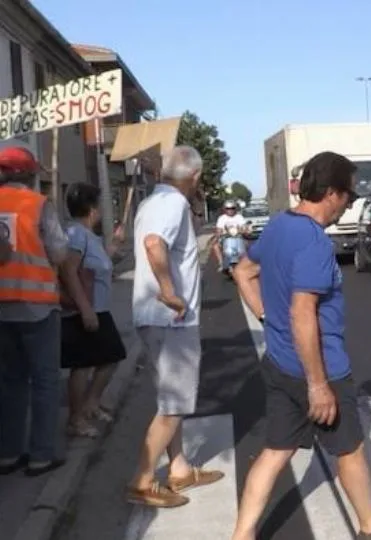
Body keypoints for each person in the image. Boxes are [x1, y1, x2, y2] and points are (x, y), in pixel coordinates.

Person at [230, 151, 371, 540]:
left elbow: (243, 271)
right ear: (331, 193)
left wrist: (267, 317)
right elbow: (304, 313)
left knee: (276, 449)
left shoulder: (280, 224)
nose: (348, 204)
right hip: (321, 370)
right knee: (349, 449)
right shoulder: (314, 242)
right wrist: (318, 384)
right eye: (348, 197)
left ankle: (242, 534)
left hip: (281, 364)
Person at [127, 146, 224, 507]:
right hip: (171, 320)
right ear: (195, 177)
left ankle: (179, 468)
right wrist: (170, 292)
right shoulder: (173, 204)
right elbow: (155, 245)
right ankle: (142, 480)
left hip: (153, 319)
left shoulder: (152, 201)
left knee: (171, 401)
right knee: (173, 406)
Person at [0, 146, 69, 477]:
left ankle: (8, 454)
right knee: (44, 381)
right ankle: (41, 455)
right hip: (36, 306)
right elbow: (58, 252)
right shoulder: (38, 204)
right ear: (30, 174)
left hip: (1, 309)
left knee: (10, 382)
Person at [60, 183, 128, 439]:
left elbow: (101, 262)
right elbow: (68, 270)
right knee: (84, 364)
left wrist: (115, 244)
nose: (100, 211)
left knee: (107, 357)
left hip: (97, 308)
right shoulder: (77, 235)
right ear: (91, 209)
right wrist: (85, 308)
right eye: (98, 206)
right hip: (85, 310)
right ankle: (76, 418)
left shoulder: (89, 236)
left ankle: (91, 404)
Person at [214, 200, 248, 274]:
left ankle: (245, 262)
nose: (230, 210)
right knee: (216, 246)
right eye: (228, 208)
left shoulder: (239, 217)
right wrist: (218, 234)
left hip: (238, 237)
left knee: (247, 244)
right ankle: (221, 263)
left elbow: (244, 227)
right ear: (225, 209)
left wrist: (245, 230)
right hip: (225, 238)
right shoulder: (221, 218)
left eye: (232, 208)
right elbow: (218, 229)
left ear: (235, 208)